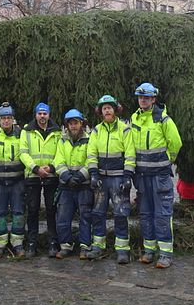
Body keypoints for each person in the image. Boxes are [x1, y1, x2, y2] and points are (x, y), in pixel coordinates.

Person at [130, 83, 182, 268]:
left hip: (159, 176)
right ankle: (149, 250)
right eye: (140, 97)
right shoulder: (134, 118)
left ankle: (166, 254)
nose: (142, 100)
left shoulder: (163, 119)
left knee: (162, 214)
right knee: (145, 214)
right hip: (142, 176)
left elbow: (175, 142)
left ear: (153, 99)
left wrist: (167, 159)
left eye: (146, 97)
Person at [86, 95, 136, 264]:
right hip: (101, 179)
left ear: (115, 109)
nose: (107, 110)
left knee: (121, 214)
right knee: (98, 214)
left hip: (118, 179)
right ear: (100, 111)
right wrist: (93, 174)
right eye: (104, 108)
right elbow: (91, 154)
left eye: (109, 107)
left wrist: (128, 177)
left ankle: (122, 250)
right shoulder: (96, 131)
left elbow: (130, 154)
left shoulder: (124, 130)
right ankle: (98, 247)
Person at [20, 102, 62, 257]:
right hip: (33, 176)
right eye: (40, 113)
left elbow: (61, 152)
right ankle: (31, 243)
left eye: (45, 113)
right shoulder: (27, 131)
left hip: (51, 176)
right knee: (32, 210)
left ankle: (53, 242)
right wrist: (35, 168)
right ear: (35, 115)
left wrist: (51, 167)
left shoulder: (57, 132)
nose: (42, 116)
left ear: (49, 115)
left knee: (52, 210)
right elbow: (23, 152)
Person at [0, 103, 26, 259]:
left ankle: (18, 244)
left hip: (17, 182)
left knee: (18, 213)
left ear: (13, 119)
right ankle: (0, 245)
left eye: (9, 118)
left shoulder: (21, 135)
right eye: (3, 118)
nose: (6, 121)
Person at [52, 109, 93, 259]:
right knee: (63, 217)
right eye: (71, 123)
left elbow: (92, 160)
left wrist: (80, 176)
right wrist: (68, 177)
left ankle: (85, 246)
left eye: (76, 123)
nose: (73, 126)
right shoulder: (62, 141)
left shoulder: (90, 139)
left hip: (84, 185)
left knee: (85, 217)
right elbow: (58, 160)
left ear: (81, 123)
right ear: (67, 125)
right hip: (66, 185)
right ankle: (65, 246)